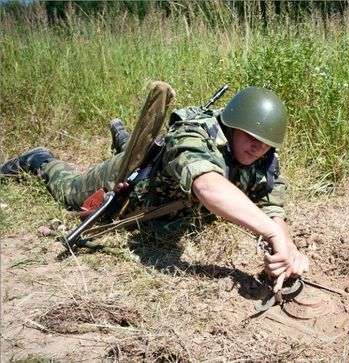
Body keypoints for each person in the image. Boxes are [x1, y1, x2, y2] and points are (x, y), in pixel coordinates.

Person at [0, 82, 310, 292]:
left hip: (161, 186)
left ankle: (124, 137)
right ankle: (40, 159)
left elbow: (272, 207)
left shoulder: (264, 159)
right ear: (231, 125)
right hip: (128, 187)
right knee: (68, 190)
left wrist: (287, 249)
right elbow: (206, 184)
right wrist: (269, 232)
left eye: (266, 145)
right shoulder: (193, 132)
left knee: (145, 149)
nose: (258, 149)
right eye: (251, 138)